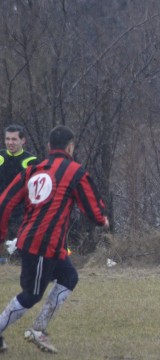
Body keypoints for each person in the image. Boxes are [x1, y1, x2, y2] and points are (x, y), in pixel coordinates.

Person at [0, 125, 109, 353]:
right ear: (71, 147)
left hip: (42, 242)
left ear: (49, 147)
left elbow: (4, 201)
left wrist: (2, 234)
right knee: (31, 296)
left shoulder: (33, 169)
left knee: (69, 277)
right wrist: (102, 220)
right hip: (42, 244)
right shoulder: (75, 171)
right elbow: (92, 208)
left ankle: (38, 329)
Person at [0, 125, 37, 265]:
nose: (10, 142)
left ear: (23, 141)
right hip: (1, 208)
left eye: (14, 139)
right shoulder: (0, 157)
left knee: (19, 248)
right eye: (7, 139)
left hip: (21, 212)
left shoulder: (31, 161)